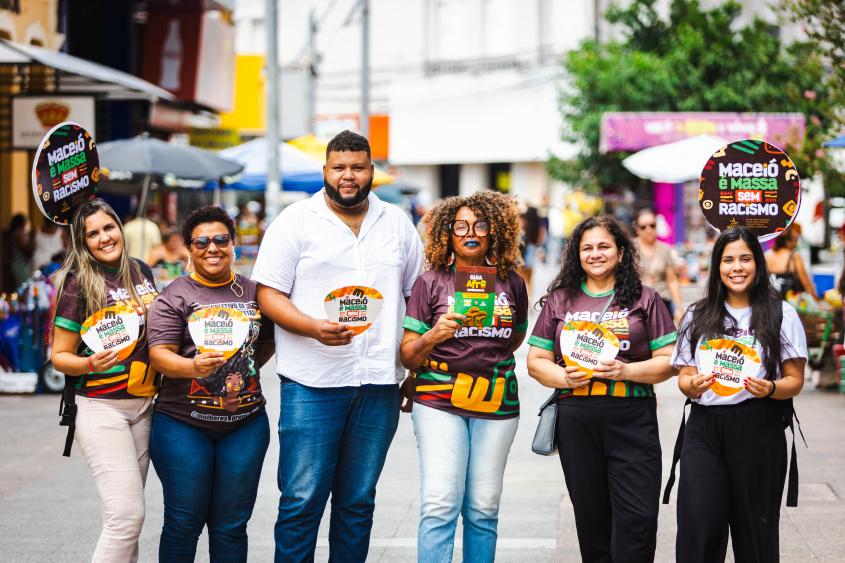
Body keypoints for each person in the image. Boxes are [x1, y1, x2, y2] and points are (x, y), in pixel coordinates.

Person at [252, 130, 424, 562]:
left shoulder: (398, 224)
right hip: (312, 382)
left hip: (379, 382)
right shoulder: (294, 221)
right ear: (325, 170)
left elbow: (416, 301)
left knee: (358, 503)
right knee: (301, 500)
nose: (349, 176)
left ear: (372, 172)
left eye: (358, 167)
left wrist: (414, 371)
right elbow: (267, 294)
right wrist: (312, 327)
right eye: (339, 167)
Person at [526, 215, 677, 563]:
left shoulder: (645, 299)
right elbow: (536, 361)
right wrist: (564, 378)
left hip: (632, 419)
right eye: (587, 248)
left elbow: (669, 361)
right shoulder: (561, 300)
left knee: (637, 519)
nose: (595, 254)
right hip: (576, 420)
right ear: (577, 254)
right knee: (592, 522)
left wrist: (626, 371)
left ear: (622, 253)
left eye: (604, 246)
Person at [399, 190, 527, 563]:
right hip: (439, 401)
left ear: (494, 231)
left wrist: (483, 353)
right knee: (440, 502)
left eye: (481, 225)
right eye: (460, 226)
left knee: (484, 507)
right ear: (447, 234)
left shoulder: (512, 282)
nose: (471, 232)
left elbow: (515, 337)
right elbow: (407, 353)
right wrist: (434, 335)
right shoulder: (430, 282)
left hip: (497, 401)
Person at [669, 226, 807, 562]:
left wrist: (771, 388)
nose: (737, 267)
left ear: (758, 264)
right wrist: (692, 385)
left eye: (745, 258)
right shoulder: (697, 315)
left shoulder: (780, 313)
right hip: (704, 432)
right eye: (728, 260)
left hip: (759, 429)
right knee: (698, 527)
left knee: (756, 534)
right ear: (717, 266)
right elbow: (684, 377)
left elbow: (795, 380)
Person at [147, 206, 275, 562]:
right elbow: (159, 355)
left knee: (231, 525)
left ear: (233, 244)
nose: (212, 248)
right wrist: (194, 368)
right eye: (201, 242)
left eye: (220, 239)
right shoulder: (174, 295)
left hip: (245, 426)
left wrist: (241, 370)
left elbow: (266, 342)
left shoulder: (254, 292)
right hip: (182, 425)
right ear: (189, 248)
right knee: (184, 522)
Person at [50, 198, 160, 562]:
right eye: (92, 234)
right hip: (101, 409)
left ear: (120, 226)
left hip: (144, 407)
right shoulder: (77, 283)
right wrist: (90, 364)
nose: (104, 238)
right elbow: (59, 356)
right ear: (83, 243)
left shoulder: (140, 270)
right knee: (127, 517)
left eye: (108, 227)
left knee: (122, 517)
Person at [634, 208, 684, 324]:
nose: (648, 230)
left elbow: (671, 280)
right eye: (643, 227)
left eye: (652, 225)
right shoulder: (630, 248)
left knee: (664, 341)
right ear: (637, 229)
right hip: (637, 304)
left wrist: (678, 307)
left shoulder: (665, 249)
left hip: (662, 303)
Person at [765, 225, 819, 303]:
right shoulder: (794, 256)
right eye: (795, 239)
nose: (797, 242)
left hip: (771, 302)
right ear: (787, 241)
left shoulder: (767, 255)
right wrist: (816, 302)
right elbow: (806, 282)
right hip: (791, 303)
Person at [6, 213, 34, 289]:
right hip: (20, 264)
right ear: (22, 222)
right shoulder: (18, 233)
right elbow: (26, 248)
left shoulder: (19, 233)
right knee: (23, 287)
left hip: (21, 264)